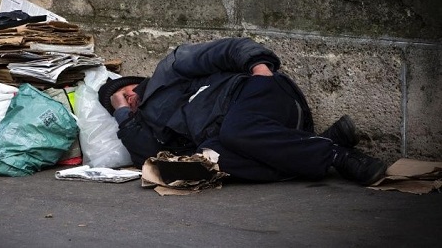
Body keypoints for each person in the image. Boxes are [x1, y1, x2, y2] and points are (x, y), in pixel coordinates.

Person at [98, 37, 387, 186]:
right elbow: (148, 157)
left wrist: (259, 65)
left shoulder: (168, 71)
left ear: (135, 82)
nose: (128, 99)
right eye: (120, 103)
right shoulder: (147, 124)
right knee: (205, 164)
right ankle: (321, 146)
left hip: (255, 93)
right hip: (249, 136)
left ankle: (339, 156)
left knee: (235, 130)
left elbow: (227, 49)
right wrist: (123, 115)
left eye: (125, 93)